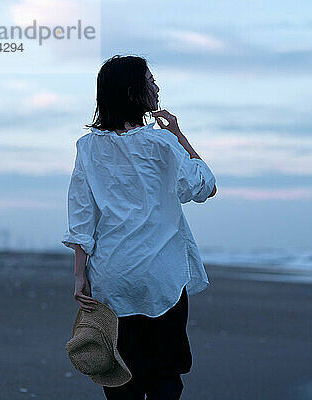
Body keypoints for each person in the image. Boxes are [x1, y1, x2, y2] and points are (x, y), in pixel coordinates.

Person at [61, 54, 217, 400]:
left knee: (119, 374)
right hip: (162, 275)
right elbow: (204, 186)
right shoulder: (162, 143)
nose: (156, 87)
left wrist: (79, 276)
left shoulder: (87, 147)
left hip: (111, 274)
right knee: (165, 373)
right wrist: (178, 134)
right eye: (150, 81)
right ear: (133, 92)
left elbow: (82, 216)